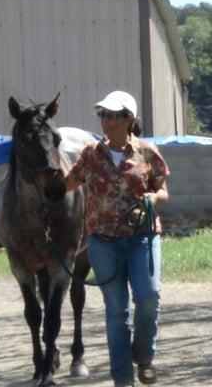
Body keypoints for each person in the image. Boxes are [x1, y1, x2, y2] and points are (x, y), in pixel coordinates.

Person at [65, 90, 169, 387]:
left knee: (149, 298)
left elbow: (164, 191)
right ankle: (123, 379)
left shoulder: (148, 153)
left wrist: (153, 197)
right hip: (104, 243)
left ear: (128, 119)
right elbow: (66, 185)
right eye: (103, 115)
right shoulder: (90, 155)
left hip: (142, 238)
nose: (105, 121)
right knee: (116, 312)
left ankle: (145, 355)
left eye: (112, 115)